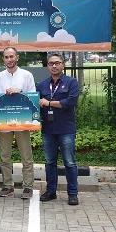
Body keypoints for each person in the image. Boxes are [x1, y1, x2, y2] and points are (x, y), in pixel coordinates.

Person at [0, 47, 36, 199]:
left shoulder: (26, 75)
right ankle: (7, 185)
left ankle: (28, 186)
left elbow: (32, 97)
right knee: (4, 156)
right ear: (3, 59)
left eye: (12, 56)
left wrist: (20, 92)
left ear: (17, 57)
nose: (9, 59)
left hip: (22, 119)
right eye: (6, 57)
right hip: (4, 121)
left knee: (26, 155)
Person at [36, 53, 80, 205]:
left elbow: (70, 102)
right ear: (47, 66)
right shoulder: (41, 85)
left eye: (57, 63)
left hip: (66, 129)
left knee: (69, 163)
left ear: (63, 65)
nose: (54, 66)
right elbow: (35, 103)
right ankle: (51, 191)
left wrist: (48, 103)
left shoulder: (71, 82)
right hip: (48, 130)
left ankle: (73, 194)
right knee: (49, 162)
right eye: (51, 63)